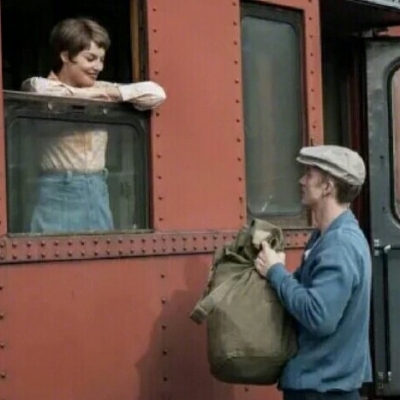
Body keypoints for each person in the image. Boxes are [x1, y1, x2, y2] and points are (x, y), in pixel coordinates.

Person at [21, 18, 166, 233]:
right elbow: (39, 90)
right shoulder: (41, 85)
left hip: (98, 187)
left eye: (101, 59)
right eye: (90, 58)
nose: (98, 67)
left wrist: (107, 92)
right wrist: (92, 95)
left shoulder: (102, 89)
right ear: (65, 56)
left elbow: (156, 93)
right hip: (59, 189)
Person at [255, 145, 372, 400]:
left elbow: (319, 317)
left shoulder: (339, 244)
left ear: (328, 187)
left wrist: (276, 272)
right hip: (322, 384)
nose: (301, 181)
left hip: (322, 387)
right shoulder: (325, 237)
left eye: (309, 174)